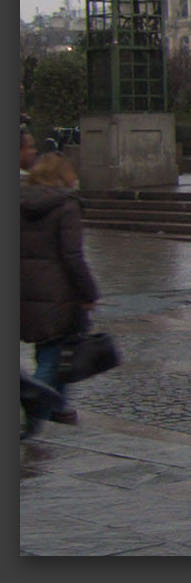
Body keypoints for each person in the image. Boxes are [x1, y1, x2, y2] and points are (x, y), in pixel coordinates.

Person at [20, 153, 101, 430]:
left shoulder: (20, 203)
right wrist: (89, 292)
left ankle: (58, 407)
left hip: (26, 291)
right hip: (58, 291)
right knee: (53, 354)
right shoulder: (67, 206)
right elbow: (73, 256)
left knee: (50, 349)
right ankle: (33, 415)